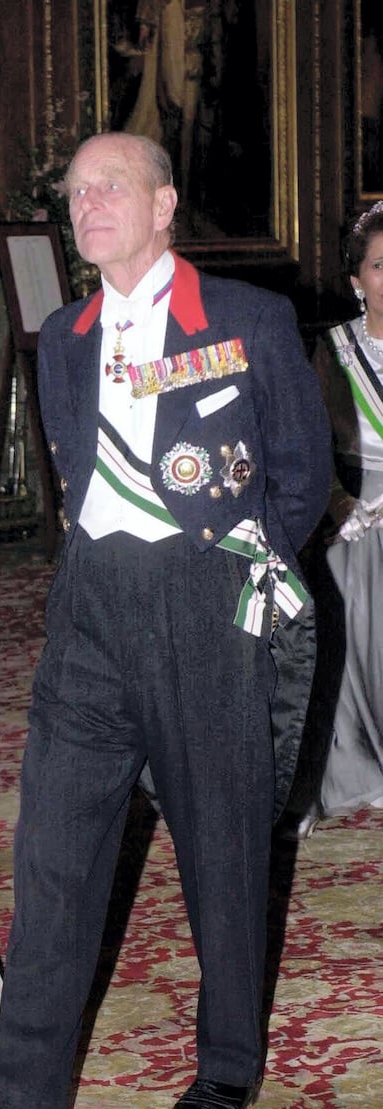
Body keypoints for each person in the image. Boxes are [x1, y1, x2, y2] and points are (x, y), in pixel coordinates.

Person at [0, 131, 331, 1109]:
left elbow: (300, 470)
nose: (87, 203)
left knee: (221, 847)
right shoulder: (63, 337)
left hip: (205, 605)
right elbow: (73, 477)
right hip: (90, 608)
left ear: (162, 204)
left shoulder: (247, 320)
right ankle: (22, 1101)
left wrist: (242, 568)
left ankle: (226, 1063)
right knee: (50, 851)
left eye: (110, 187)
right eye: (75, 191)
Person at [297, 201, 383, 836]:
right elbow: (307, 445)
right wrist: (340, 506)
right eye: (382, 267)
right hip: (354, 506)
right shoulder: (332, 348)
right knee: (349, 606)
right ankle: (357, 766)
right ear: (357, 280)